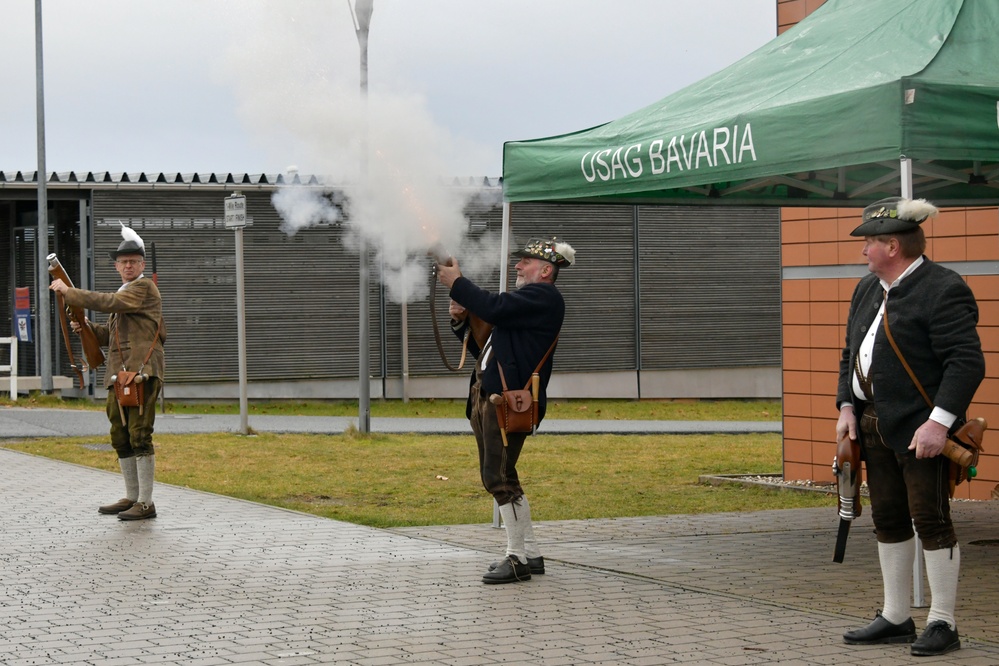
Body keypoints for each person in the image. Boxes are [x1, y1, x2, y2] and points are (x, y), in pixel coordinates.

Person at [836, 197, 985, 657]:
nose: (864, 252)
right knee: (888, 519)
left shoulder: (943, 288)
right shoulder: (867, 289)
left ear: (894, 247)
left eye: (871, 244)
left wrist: (939, 424)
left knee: (931, 521)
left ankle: (943, 622)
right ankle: (897, 615)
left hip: (923, 430)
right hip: (872, 423)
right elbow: (850, 353)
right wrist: (846, 406)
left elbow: (966, 363)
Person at [436, 236, 574, 584]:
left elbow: (493, 307)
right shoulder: (527, 302)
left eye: (525, 262)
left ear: (545, 270)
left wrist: (458, 283)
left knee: (497, 478)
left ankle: (515, 558)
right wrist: (460, 317)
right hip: (492, 397)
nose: (517, 266)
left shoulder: (544, 296)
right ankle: (531, 553)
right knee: (506, 476)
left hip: (505, 402)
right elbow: (489, 343)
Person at [50, 224, 166, 521]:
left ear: (141, 265)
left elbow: (109, 303)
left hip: (141, 372)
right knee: (120, 435)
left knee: (140, 434)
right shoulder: (126, 291)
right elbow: (111, 336)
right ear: (117, 267)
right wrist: (86, 328)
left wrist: (70, 292)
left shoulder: (143, 288)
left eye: (133, 262)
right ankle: (132, 496)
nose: (128, 266)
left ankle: (146, 502)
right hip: (119, 375)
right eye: (123, 262)